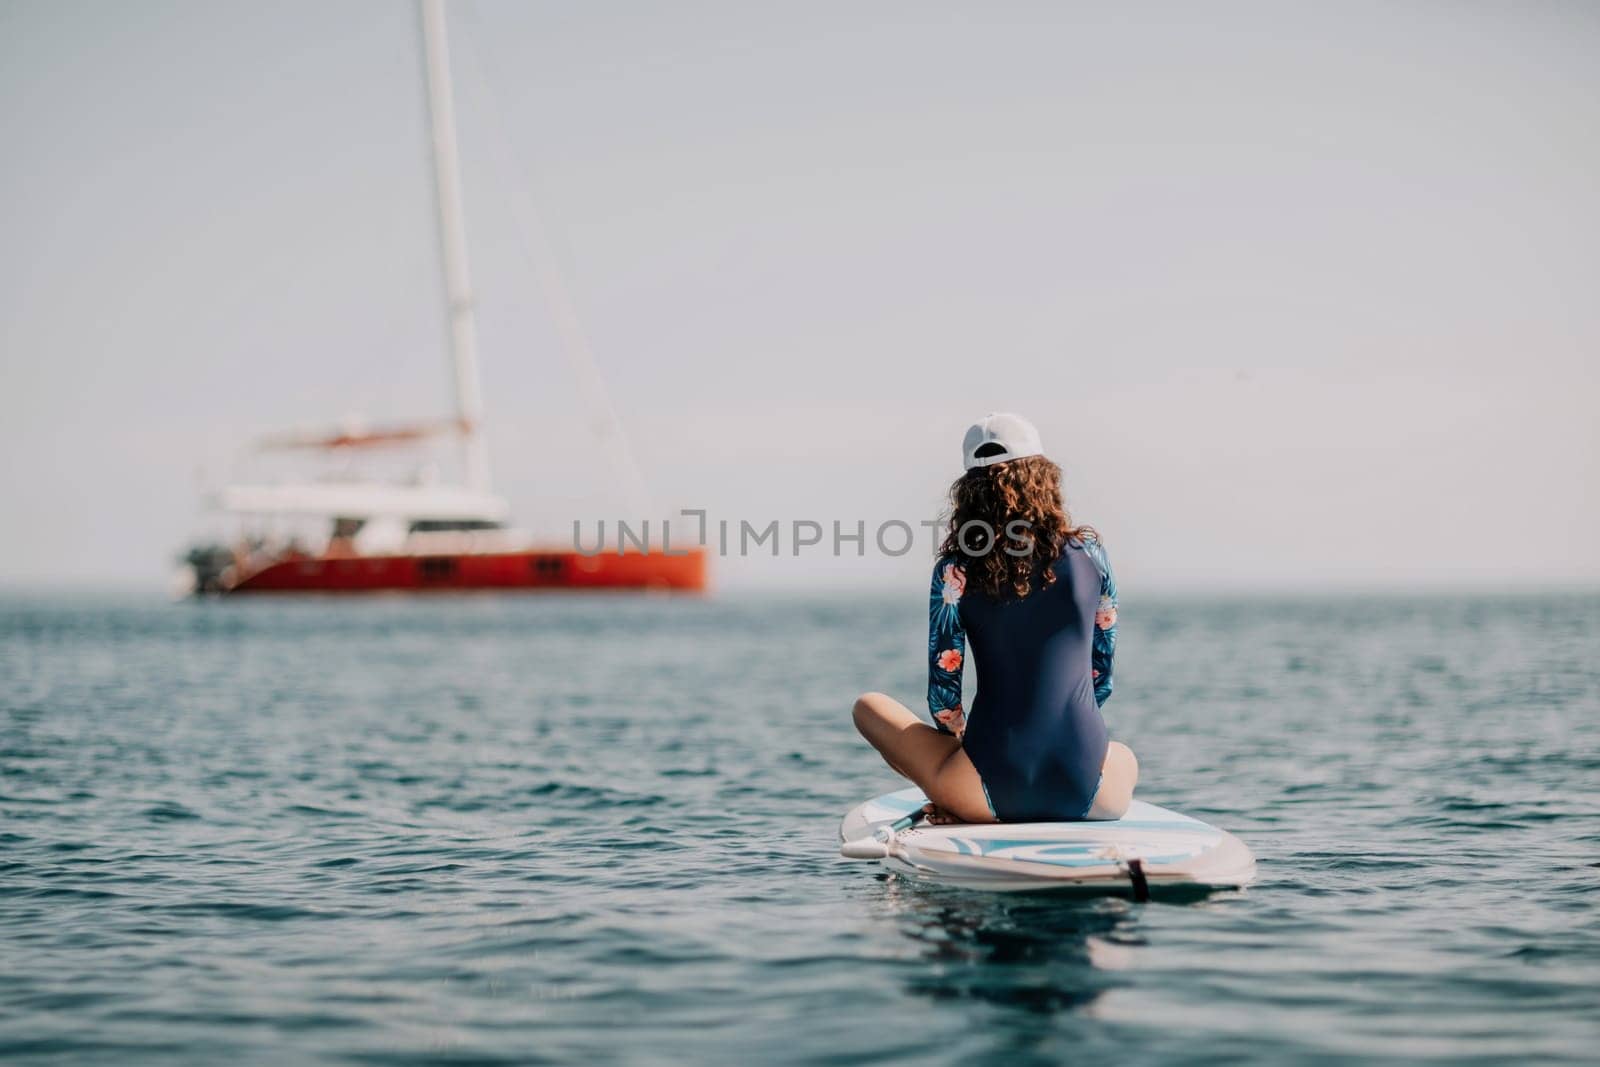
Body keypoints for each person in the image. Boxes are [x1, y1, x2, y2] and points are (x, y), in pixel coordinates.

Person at [853, 413, 1138, 824]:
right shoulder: (1092, 555)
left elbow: (944, 696)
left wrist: (960, 751)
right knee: (1124, 756)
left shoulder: (955, 570)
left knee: (868, 708)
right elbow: (1101, 673)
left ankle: (953, 801)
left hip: (988, 792)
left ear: (969, 492)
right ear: (1044, 478)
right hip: (1091, 790)